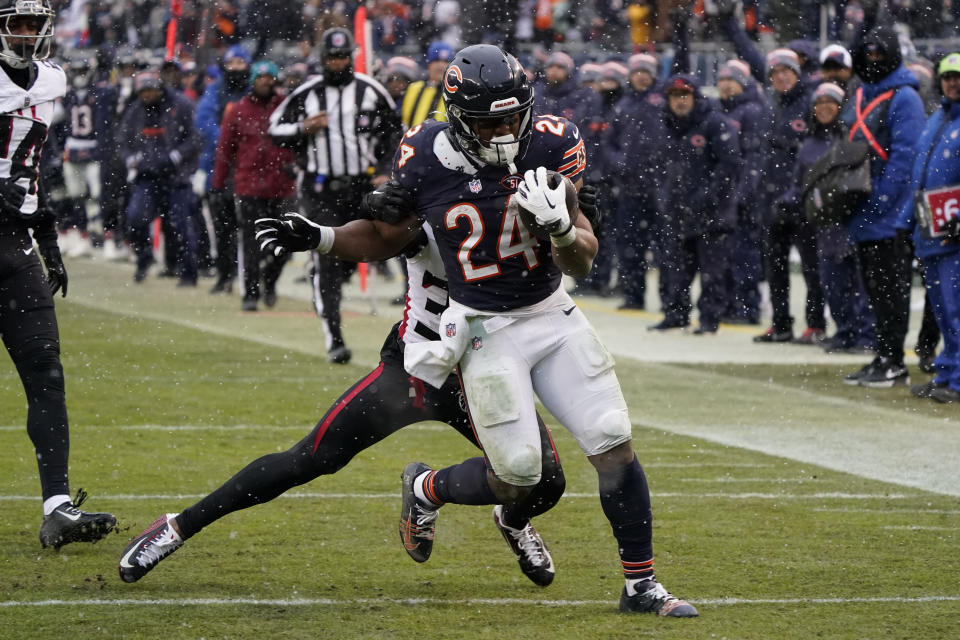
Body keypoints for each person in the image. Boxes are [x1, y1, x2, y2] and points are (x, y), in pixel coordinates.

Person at [117, 183, 567, 587]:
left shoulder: (521, 201)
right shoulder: (436, 198)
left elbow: (572, 250)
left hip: (487, 372)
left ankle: (471, 504)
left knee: (546, 483)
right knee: (309, 459)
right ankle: (177, 528)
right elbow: (378, 236)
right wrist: (327, 231)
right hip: (416, 368)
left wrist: (575, 217)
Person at [388, 44, 696, 616]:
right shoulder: (425, 155)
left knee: (613, 441)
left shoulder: (553, 141)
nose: (505, 131)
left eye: (512, 116)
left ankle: (640, 585)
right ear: (459, 118)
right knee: (518, 476)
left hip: (552, 313)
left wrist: (559, 230)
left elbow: (582, 263)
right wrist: (355, 223)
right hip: (485, 326)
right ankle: (427, 487)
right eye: (489, 121)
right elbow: (394, 235)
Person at [0, 0, 115, 549]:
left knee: (46, 373)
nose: (25, 36)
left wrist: (47, 238)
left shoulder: (50, 81)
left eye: (32, 25)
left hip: (15, 243)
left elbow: (33, 167)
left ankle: (56, 507)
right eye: (15, 25)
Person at [268, 27, 402, 364]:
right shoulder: (307, 93)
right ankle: (335, 338)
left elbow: (394, 134)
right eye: (331, 57)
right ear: (322, 58)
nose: (337, 62)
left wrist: (386, 169)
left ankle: (326, 291)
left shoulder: (371, 91)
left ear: (352, 56)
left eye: (343, 56)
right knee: (327, 257)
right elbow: (274, 129)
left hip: (361, 188)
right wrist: (304, 129)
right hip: (321, 189)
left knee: (359, 252)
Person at [840, 25, 926, 388]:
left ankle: (893, 360)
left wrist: (881, 203)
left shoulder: (905, 97)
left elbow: (906, 160)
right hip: (862, 210)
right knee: (875, 291)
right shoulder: (859, 92)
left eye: (879, 54)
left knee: (892, 291)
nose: (872, 61)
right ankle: (882, 354)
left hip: (889, 216)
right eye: (867, 54)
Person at [783, 82, 875, 354]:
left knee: (858, 283)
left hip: (852, 221)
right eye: (819, 102)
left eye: (830, 102)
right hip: (824, 226)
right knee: (831, 283)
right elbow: (798, 185)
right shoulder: (809, 145)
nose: (824, 107)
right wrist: (787, 202)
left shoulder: (853, 138)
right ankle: (844, 331)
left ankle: (865, 335)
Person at [648, 74, 741, 334]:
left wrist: (708, 196)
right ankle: (675, 314)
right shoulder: (665, 125)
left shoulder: (715, 123)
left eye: (684, 95)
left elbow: (729, 164)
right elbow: (657, 165)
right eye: (674, 96)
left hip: (712, 213)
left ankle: (709, 320)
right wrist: (664, 196)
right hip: (677, 211)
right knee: (676, 269)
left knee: (712, 271)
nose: (679, 101)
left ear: (695, 97)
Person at [752, 49, 826, 345]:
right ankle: (781, 323)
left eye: (787, 71)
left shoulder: (809, 102)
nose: (781, 76)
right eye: (776, 72)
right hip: (771, 198)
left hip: (801, 199)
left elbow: (813, 152)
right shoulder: (770, 105)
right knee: (775, 267)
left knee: (810, 266)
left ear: (797, 73)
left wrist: (797, 191)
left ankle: (816, 324)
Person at [210, 60, 295, 311]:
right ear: (253, 80)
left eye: (270, 77)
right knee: (250, 242)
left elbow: (299, 140)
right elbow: (225, 151)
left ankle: (270, 278)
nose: (266, 82)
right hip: (249, 186)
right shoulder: (238, 110)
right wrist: (217, 185)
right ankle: (251, 292)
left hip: (282, 185)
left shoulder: (286, 107)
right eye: (261, 77)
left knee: (287, 240)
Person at [905, 52, 960, 403]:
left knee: (955, 308)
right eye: (948, 77)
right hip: (931, 230)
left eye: (958, 77)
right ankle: (947, 371)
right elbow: (919, 173)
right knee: (941, 309)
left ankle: (956, 378)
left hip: (953, 231)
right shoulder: (936, 119)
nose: (953, 82)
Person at [118, 69, 202, 286]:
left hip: (177, 177)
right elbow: (123, 141)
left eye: (150, 90)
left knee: (181, 226)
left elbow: (195, 137)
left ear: (159, 89)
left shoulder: (181, 105)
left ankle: (188, 273)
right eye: (142, 91)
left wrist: (175, 156)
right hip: (146, 176)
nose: (146, 95)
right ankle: (144, 256)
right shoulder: (135, 110)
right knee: (135, 219)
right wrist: (131, 159)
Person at [603, 52, 665, 311]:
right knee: (630, 245)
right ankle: (633, 295)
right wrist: (621, 164)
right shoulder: (623, 105)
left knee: (665, 249)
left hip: (661, 188)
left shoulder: (663, 101)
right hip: (630, 187)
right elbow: (608, 144)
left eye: (646, 71)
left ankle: (671, 301)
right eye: (637, 71)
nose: (641, 76)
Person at [715, 59, 769, 325]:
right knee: (722, 256)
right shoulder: (717, 111)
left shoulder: (751, 111)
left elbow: (753, 158)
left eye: (731, 79)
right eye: (722, 79)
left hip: (742, 197)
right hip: (721, 196)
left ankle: (748, 308)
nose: (725, 84)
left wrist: (743, 192)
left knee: (744, 254)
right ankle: (728, 305)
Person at [196, 45, 251, 294]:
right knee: (222, 227)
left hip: (249, 169)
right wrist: (230, 141)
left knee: (249, 227)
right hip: (218, 167)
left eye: (241, 62)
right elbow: (203, 122)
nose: (237, 68)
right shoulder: (215, 90)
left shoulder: (253, 91)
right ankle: (224, 274)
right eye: (233, 63)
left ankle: (248, 277)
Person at [400, 40, 452, 129]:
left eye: (445, 61)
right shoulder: (414, 88)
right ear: (429, 64)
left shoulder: (454, 93)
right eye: (436, 60)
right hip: (413, 141)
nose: (441, 65)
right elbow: (404, 121)